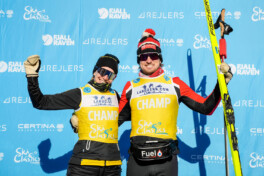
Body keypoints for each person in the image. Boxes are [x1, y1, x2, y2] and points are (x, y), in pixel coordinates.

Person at [118, 28, 233, 176]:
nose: (148, 60)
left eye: (153, 55)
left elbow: (205, 107)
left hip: (166, 161)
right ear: (138, 60)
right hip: (137, 161)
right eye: (143, 56)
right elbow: (114, 120)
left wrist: (221, 84)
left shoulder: (175, 84)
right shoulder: (130, 87)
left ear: (160, 58)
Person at [24, 54, 122, 176]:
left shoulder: (116, 96)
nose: (105, 77)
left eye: (110, 74)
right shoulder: (79, 94)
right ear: (95, 71)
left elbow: (135, 112)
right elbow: (41, 102)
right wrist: (32, 75)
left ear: (114, 78)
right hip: (84, 166)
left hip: (112, 167)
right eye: (102, 71)